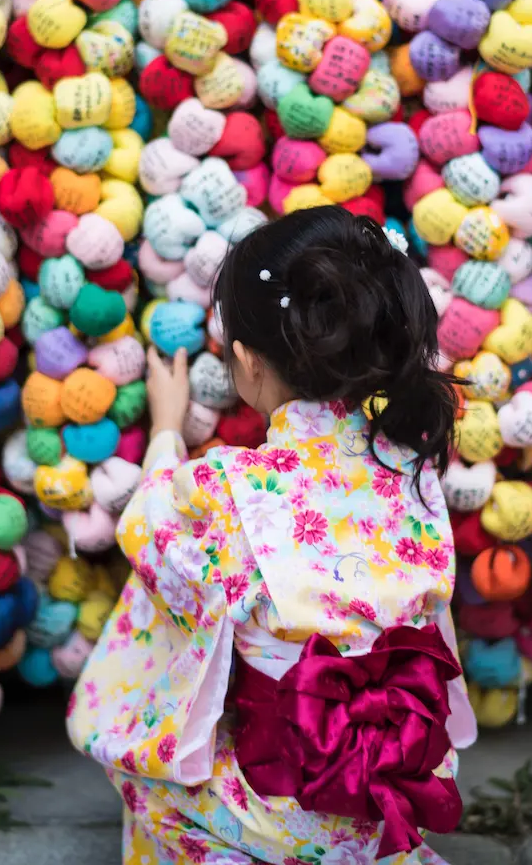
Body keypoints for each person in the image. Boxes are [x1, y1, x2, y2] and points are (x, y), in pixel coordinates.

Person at [68, 206, 477, 865]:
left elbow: (143, 526)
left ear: (247, 365)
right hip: (390, 783)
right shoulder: (415, 472)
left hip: (275, 813)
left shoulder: (226, 491)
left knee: (160, 606)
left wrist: (168, 430)